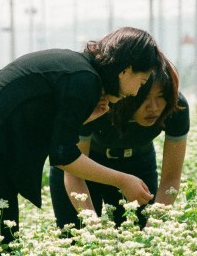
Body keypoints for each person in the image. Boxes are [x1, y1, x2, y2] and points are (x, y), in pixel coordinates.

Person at [0, 27, 162, 256]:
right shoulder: (84, 79)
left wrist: (84, 117)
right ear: (126, 70)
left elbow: (39, 122)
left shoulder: (78, 70)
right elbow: (64, 156)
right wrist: (122, 180)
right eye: (142, 81)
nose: (137, 92)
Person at [48, 57, 189, 229]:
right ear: (130, 93)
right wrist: (93, 227)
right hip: (84, 164)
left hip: (138, 163)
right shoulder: (99, 102)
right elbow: (74, 175)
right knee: (75, 236)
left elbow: (171, 177)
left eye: (161, 96)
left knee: (139, 236)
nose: (153, 107)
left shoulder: (176, 107)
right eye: (144, 98)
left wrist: (155, 224)